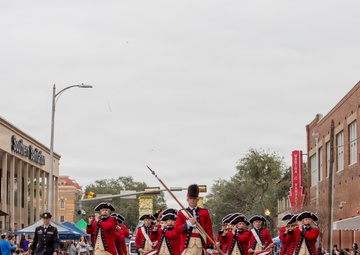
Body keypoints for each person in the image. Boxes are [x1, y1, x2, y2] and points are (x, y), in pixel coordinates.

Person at [174, 184, 215, 255]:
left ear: (197, 199)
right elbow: (177, 229)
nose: (192, 200)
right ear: (187, 199)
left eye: (194, 198)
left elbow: (209, 230)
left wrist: (209, 246)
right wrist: (188, 225)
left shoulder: (204, 212)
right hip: (187, 247)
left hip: (201, 246)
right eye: (190, 198)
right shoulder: (182, 213)